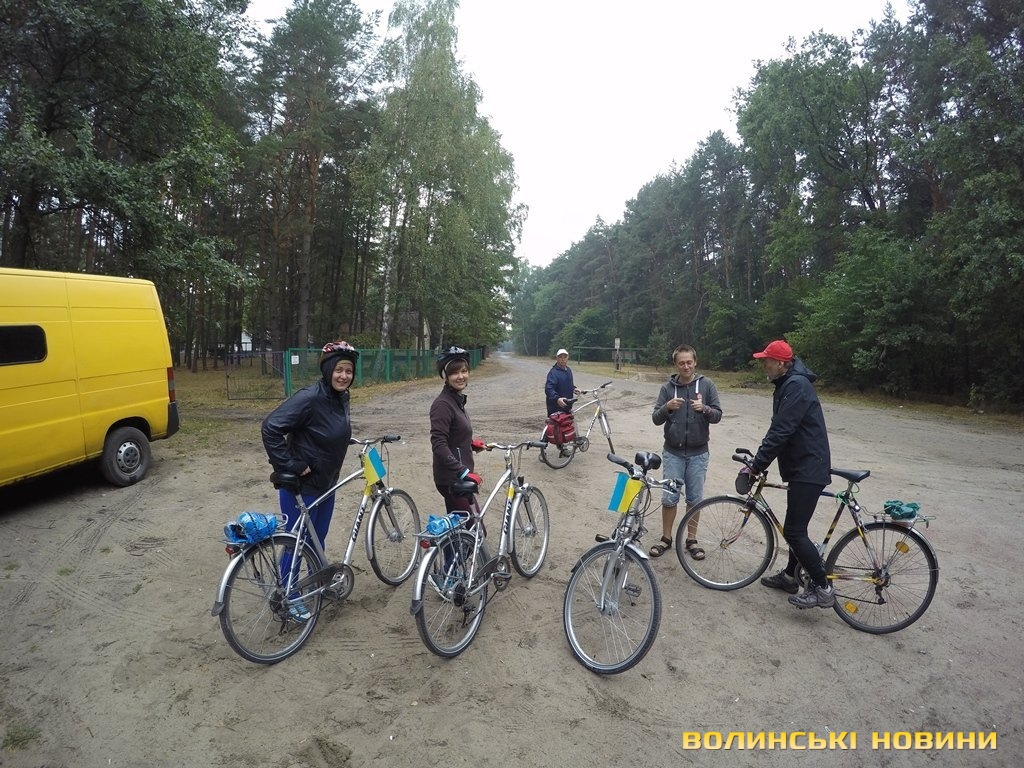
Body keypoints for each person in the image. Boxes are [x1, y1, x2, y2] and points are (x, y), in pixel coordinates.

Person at [261, 340, 357, 621]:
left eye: (349, 371)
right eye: (339, 370)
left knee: (317, 539)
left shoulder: (341, 397)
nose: (344, 376)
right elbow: (270, 427)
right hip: (302, 487)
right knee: (297, 543)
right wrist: (289, 464)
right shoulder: (310, 398)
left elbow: (324, 429)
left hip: (326, 483)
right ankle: (288, 598)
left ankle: (317, 583)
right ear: (327, 370)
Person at [745, 339, 834, 609]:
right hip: (802, 466)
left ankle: (823, 587)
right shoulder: (789, 384)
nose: (764, 365)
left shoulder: (796, 386)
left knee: (795, 531)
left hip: (809, 467)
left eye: (767, 361)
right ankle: (789, 576)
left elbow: (781, 430)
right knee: (795, 527)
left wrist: (756, 464)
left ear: (781, 363)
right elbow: (780, 429)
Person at [649, 344, 722, 560]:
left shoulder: (707, 385)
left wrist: (705, 409)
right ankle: (666, 538)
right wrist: (667, 407)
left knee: (695, 499)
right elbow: (655, 419)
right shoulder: (667, 389)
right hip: (673, 453)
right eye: (681, 363)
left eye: (689, 362)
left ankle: (692, 540)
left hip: (699, 454)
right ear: (675, 365)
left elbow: (718, 415)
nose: (686, 366)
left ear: (695, 362)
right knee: (669, 499)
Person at [429, 346, 486, 517]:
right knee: (474, 528)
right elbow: (438, 444)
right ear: (446, 376)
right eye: (454, 373)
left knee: (461, 527)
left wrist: (470, 444)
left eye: (464, 371)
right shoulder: (442, 404)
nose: (460, 376)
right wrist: (463, 471)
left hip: (458, 477)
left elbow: (453, 434)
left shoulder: (456, 400)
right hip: (452, 479)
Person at [545, 348, 579, 415]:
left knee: (569, 421)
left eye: (565, 357)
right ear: (557, 358)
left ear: (567, 358)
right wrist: (557, 399)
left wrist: (574, 389)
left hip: (567, 406)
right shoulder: (553, 373)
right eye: (560, 357)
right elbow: (549, 389)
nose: (563, 359)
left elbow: (568, 384)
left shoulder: (568, 370)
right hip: (556, 408)